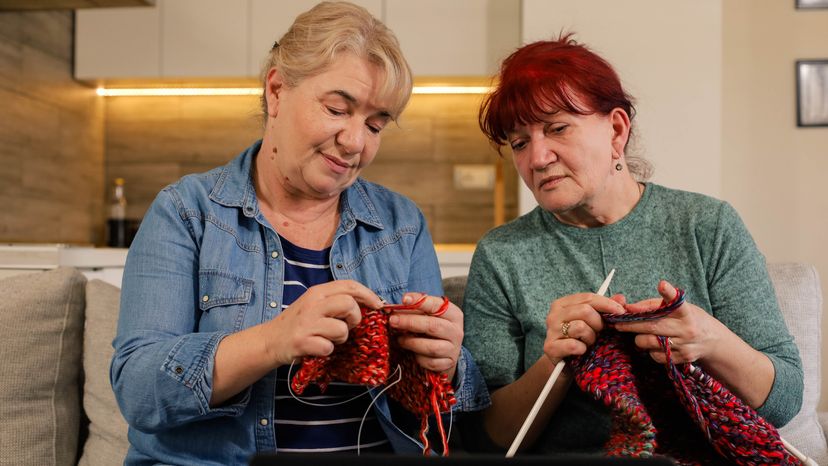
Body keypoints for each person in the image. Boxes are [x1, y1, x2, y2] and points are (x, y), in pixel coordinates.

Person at [110, 3, 488, 464]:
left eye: (375, 125)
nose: (355, 142)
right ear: (277, 90)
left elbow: (433, 419)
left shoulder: (400, 224)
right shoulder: (188, 212)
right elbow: (139, 390)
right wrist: (274, 341)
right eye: (336, 109)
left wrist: (445, 368)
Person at [461, 34, 803, 455]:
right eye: (519, 143)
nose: (537, 158)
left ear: (617, 130)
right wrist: (555, 363)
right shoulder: (502, 254)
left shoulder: (707, 225)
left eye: (557, 128)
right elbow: (487, 438)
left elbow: (784, 401)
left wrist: (709, 340)